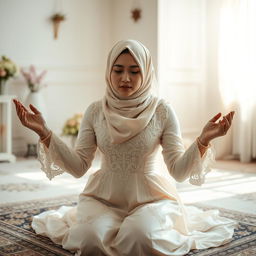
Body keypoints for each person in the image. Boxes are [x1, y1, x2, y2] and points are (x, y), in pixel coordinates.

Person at [13, 39, 236, 256]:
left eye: (135, 71)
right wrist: (44, 131)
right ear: (109, 72)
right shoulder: (95, 111)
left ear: (146, 73)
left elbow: (178, 171)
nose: (125, 78)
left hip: (152, 199)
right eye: (118, 70)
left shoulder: (162, 111)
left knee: (140, 238)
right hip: (103, 198)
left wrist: (204, 139)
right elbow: (79, 166)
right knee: (91, 239)